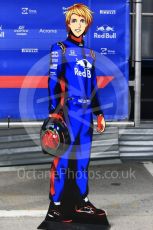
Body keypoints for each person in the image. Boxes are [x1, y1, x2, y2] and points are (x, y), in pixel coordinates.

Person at [46, 3, 106, 223]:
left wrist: (99, 114)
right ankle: (55, 206)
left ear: (87, 24)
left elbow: (93, 86)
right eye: (74, 20)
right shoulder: (59, 48)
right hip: (68, 113)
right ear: (68, 23)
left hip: (87, 114)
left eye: (82, 21)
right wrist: (54, 113)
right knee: (61, 161)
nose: (78, 25)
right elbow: (52, 81)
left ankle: (82, 202)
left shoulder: (89, 53)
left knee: (82, 162)